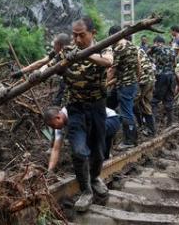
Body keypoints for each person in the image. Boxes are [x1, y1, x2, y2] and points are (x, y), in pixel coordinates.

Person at [51, 16, 113, 211]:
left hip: (97, 107)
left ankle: (94, 178)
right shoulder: (68, 51)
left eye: (82, 36)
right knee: (78, 150)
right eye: (74, 36)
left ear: (93, 34)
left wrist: (85, 54)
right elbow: (50, 65)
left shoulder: (104, 47)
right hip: (75, 108)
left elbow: (108, 62)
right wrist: (38, 72)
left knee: (98, 150)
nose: (77, 40)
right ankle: (86, 190)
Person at [44, 105, 120, 172]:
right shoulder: (59, 127)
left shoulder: (73, 110)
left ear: (58, 118)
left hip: (110, 120)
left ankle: (92, 161)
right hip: (98, 127)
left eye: (53, 125)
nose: (54, 128)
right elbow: (56, 149)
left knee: (85, 134)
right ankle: (102, 157)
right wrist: (50, 170)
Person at [10, 33, 72, 106]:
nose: (53, 46)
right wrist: (21, 72)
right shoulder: (55, 52)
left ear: (61, 46)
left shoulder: (68, 54)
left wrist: (38, 72)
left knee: (61, 101)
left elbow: (47, 66)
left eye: (55, 44)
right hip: (62, 81)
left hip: (70, 83)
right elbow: (41, 63)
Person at [107, 26, 139, 150]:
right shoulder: (132, 45)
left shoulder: (119, 47)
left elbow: (112, 70)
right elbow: (138, 65)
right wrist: (137, 78)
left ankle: (130, 140)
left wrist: (103, 84)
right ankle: (111, 132)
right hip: (129, 83)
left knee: (126, 112)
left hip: (124, 85)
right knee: (109, 104)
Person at [147, 36, 176, 127]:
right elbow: (175, 63)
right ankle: (170, 123)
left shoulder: (156, 47)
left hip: (161, 76)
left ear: (157, 42)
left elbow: (146, 54)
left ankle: (153, 125)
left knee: (154, 100)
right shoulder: (171, 49)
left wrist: (153, 61)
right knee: (169, 98)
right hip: (171, 75)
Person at [136, 48, 156, 136]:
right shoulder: (139, 49)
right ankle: (150, 130)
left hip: (142, 80)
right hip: (150, 78)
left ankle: (133, 134)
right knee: (145, 103)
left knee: (131, 104)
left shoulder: (123, 49)